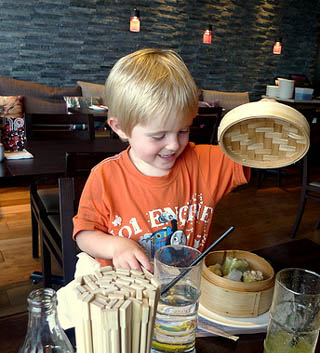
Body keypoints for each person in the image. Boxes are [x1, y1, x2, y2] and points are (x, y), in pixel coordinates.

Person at [73, 48, 250, 272]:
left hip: (185, 288)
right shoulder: (105, 176)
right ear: (120, 128)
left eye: (184, 130)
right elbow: (84, 234)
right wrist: (115, 246)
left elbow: (253, 156)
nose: (174, 144)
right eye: (158, 136)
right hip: (128, 292)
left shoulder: (203, 162)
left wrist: (266, 121)